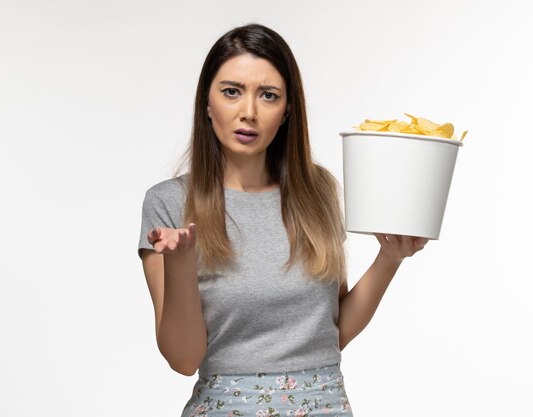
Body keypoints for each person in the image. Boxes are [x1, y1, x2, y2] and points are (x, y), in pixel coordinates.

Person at [137, 23, 429, 417]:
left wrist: (390, 258)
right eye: (231, 91)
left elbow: (332, 332)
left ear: (288, 110)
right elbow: (183, 359)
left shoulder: (316, 192)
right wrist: (181, 261)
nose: (249, 113)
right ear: (206, 102)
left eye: (268, 95)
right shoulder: (169, 203)